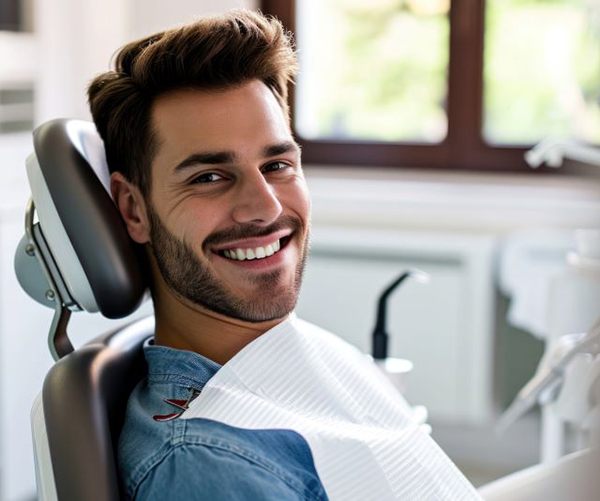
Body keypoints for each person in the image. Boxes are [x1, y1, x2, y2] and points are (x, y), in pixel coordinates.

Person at [88, 9, 481, 500]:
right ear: (134, 209)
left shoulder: (297, 352)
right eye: (209, 177)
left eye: (276, 164)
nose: (265, 207)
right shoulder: (211, 467)